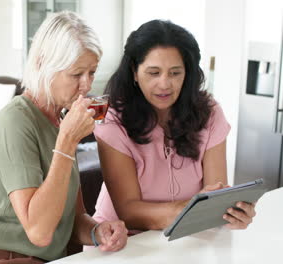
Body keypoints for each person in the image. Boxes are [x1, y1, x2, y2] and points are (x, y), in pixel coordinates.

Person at [0, 11, 128, 264]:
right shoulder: (16, 120)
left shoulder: (61, 122)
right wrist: (68, 142)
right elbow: (39, 232)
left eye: (91, 72)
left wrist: (96, 231)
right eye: (76, 74)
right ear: (43, 64)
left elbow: (71, 218)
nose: (86, 85)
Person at [91, 19, 256, 233]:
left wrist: (231, 213)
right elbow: (129, 212)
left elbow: (215, 194)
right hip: (121, 241)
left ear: (187, 73)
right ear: (134, 71)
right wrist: (192, 208)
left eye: (175, 73)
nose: (165, 84)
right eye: (153, 73)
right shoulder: (111, 120)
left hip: (183, 237)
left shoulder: (210, 113)